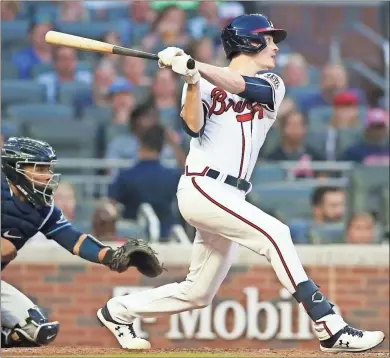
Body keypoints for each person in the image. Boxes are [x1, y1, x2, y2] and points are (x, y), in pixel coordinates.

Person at [97, 14, 385, 352]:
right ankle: (329, 325)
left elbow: (241, 85)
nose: (275, 46)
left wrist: (195, 65)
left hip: (232, 194)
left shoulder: (273, 83)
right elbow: (191, 126)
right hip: (203, 186)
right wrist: (190, 80)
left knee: (198, 293)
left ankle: (118, 311)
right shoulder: (201, 83)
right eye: (269, 38)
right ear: (249, 41)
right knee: (276, 234)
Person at [1, 137, 161, 348]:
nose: (47, 175)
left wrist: (112, 257)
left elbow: (74, 240)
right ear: (15, 169)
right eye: (39, 168)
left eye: (47, 169)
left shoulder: (43, 208)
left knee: (35, 329)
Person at [108, 125, 182, 241]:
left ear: (140, 146)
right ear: (162, 149)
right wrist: (174, 145)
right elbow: (190, 173)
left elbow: (110, 206)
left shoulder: (125, 176)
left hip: (134, 240)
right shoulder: (172, 176)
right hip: (167, 237)